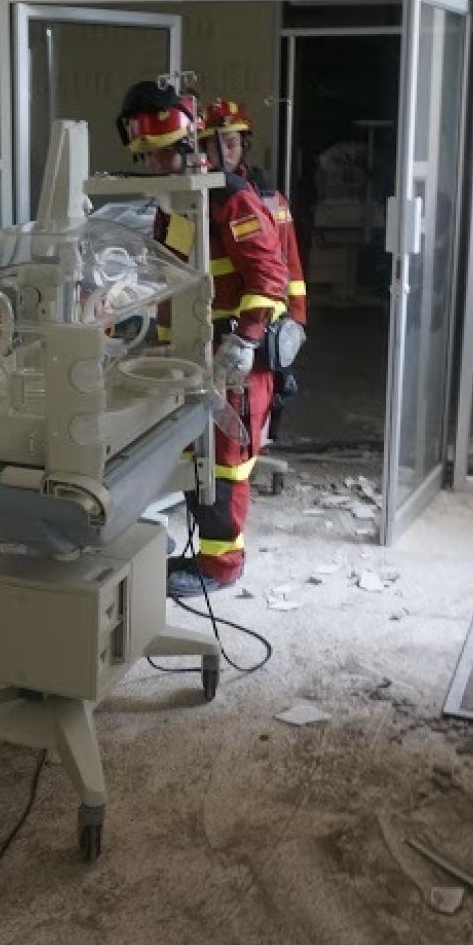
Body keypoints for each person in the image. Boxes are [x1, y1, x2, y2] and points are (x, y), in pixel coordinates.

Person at [115, 80, 291, 597]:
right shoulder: (172, 205)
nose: (154, 170)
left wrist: (244, 341)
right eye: (146, 159)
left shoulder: (229, 202)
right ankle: (202, 551)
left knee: (225, 465)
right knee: (197, 462)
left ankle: (221, 566)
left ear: (188, 150)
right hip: (187, 358)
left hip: (229, 359)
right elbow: (165, 272)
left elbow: (270, 276)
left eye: (163, 157)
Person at [202, 97, 309, 471]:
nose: (223, 151)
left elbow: (290, 266)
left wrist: (296, 323)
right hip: (236, 332)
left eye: (231, 142)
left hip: (268, 330)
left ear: (244, 146)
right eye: (215, 143)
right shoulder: (206, 199)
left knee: (263, 410)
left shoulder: (269, 199)